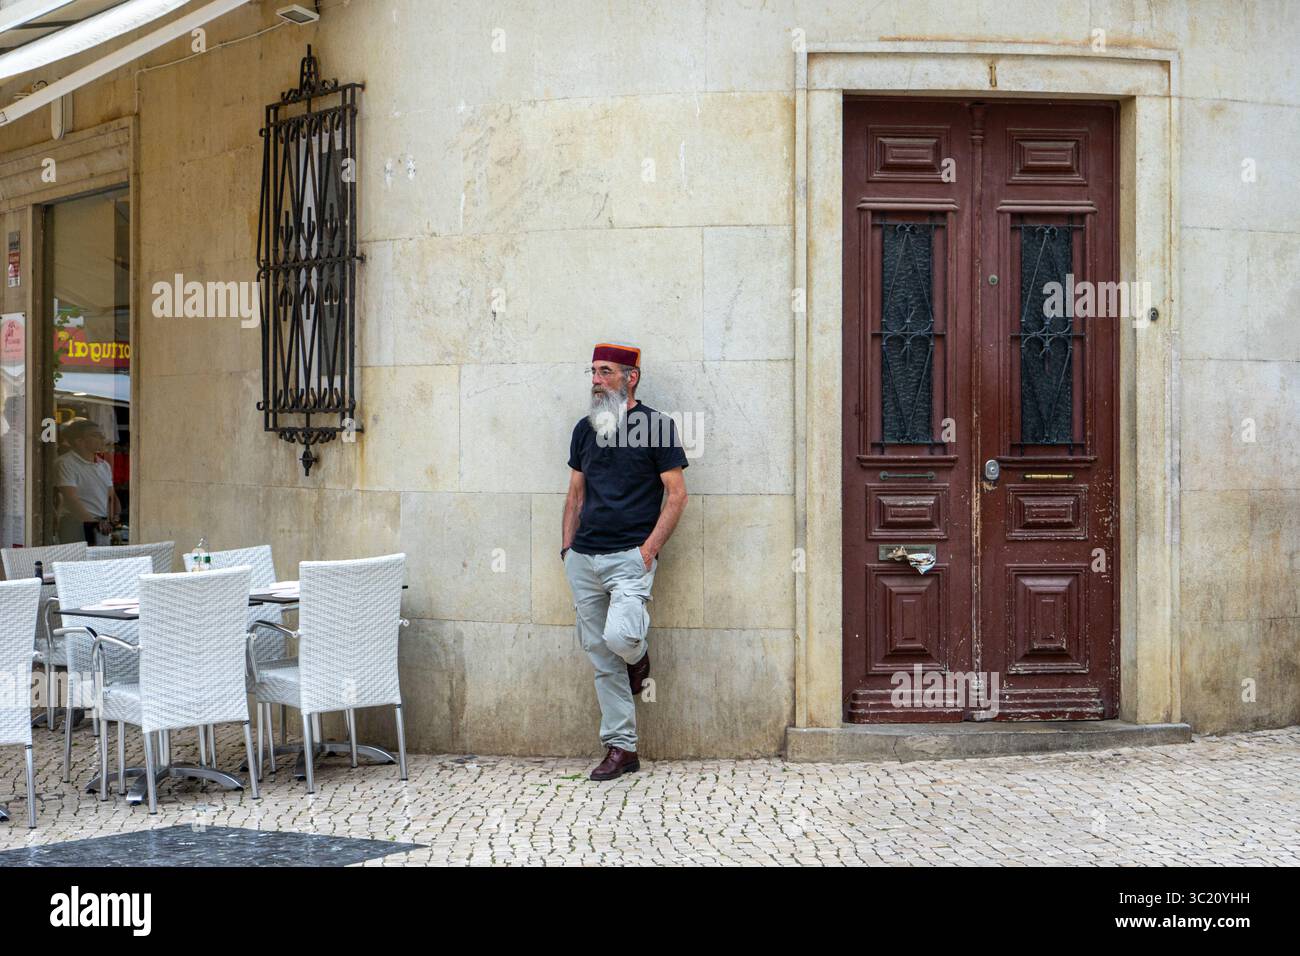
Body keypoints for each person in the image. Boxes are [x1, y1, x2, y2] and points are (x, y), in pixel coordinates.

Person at [562, 343, 688, 780]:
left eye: (605, 372)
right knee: (600, 654)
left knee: (620, 638)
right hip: (584, 557)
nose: (596, 379)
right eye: (593, 371)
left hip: (629, 557)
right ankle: (622, 748)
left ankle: (638, 655)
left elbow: (677, 494)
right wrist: (567, 551)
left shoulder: (656, 426)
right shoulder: (584, 429)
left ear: (630, 377)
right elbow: (575, 493)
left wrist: (648, 550)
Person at [55, 419, 119, 545]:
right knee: (76, 563)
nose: (103, 438)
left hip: (101, 524)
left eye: (102, 435)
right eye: (96, 435)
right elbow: (71, 499)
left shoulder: (104, 465)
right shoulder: (65, 463)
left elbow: (111, 495)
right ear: (79, 441)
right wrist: (94, 523)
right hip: (76, 524)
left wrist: (113, 517)